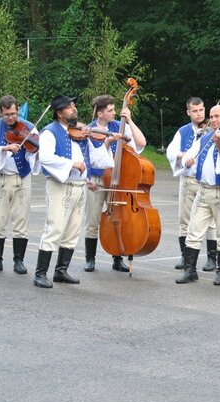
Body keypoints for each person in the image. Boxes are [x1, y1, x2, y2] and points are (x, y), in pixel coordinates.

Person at [33, 95, 115, 289]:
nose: (74, 109)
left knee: (73, 230)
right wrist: (71, 164)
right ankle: (40, 273)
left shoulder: (80, 132)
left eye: (73, 105)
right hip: (59, 185)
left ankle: (61, 271)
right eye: (69, 107)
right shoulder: (50, 132)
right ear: (60, 113)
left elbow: (92, 158)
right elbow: (45, 157)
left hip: (79, 186)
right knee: (54, 227)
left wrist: (107, 144)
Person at [176, 104, 220, 286]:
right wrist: (187, 159)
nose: (214, 120)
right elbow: (190, 154)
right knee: (193, 230)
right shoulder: (206, 136)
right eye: (212, 116)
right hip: (204, 189)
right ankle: (190, 271)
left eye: (218, 116)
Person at [83, 94, 147, 273]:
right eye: (110, 111)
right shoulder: (88, 131)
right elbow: (92, 158)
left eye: (114, 110)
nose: (114, 113)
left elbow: (141, 143)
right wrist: (108, 140)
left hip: (117, 181)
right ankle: (90, 259)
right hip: (97, 179)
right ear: (100, 113)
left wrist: (130, 121)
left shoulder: (119, 126)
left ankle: (117, 257)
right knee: (93, 219)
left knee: (117, 217)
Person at [0, 95, 39, 275]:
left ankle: (18, 260)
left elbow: (36, 150)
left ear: (18, 110)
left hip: (22, 177)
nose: (11, 118)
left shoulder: (28, 127)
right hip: (1, 177)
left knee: (21, 221)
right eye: (7, 115)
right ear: (1, 112)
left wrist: (35, 149)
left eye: (14, 113)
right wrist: (4, 148)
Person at [166, 97, 217, 273]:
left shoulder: (213, 130)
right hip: (187, 180)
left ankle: (212, 258)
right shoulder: (183, 131)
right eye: (195, 111)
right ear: (188, 112)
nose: (199, 114)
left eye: (201, 110)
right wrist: (182, 156)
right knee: (184, 219)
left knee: (210, 221)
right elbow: (171, 151)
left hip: (204, 182)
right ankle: (184, 255)